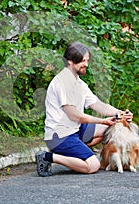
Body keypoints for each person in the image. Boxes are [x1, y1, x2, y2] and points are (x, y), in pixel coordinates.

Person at [35, 42, 133, 177]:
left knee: (110, 128)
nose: (86, 64)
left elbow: (98, 105)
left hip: (75, 130)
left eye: (87, 60)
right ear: (70, 61)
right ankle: (48, 157)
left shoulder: (79, 83)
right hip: (60, 136)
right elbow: (75, 116)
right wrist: (102, 121)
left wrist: (120, 114)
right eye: (82, 61)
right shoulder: (63, 83)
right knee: (93, 166)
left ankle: (78, 155)